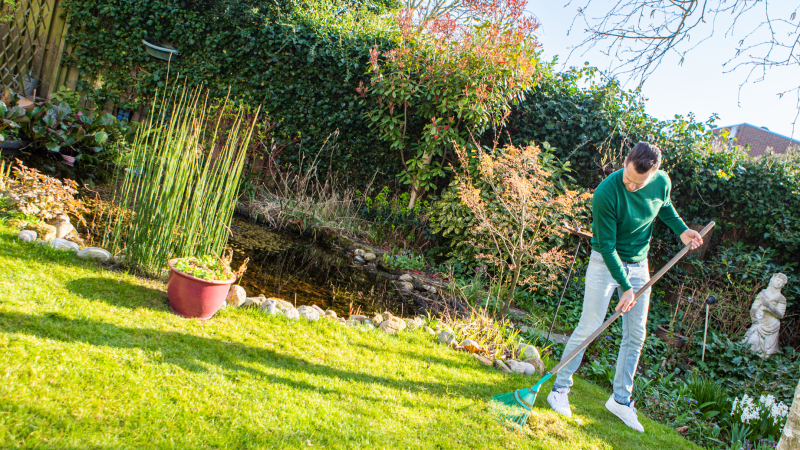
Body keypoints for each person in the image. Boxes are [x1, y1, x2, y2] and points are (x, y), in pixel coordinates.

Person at [546, 142, 703, 432]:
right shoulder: (607, 192)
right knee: (590, 325)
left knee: (636, 334)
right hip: (606, 263)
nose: (631, 185)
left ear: (653, 174)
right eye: (628, 178)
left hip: (639, 265)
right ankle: (559, 389)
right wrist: (625, 286)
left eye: (638, 183)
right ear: (626, 161)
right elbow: (606, 246)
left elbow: (664, 207)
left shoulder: (661, 182)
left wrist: (682, 231)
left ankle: (620, 400)